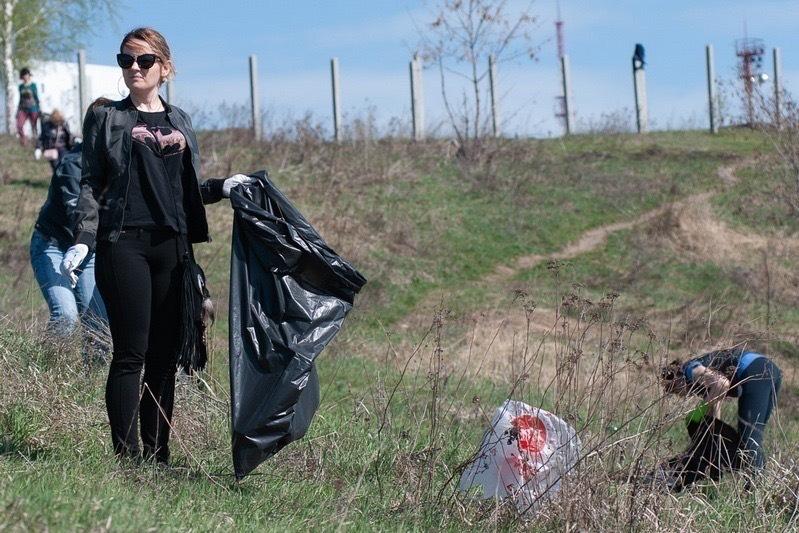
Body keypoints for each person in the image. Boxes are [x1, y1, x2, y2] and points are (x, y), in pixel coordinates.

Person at [60, 27, 253, 465]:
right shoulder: (107, 118)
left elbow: (184, 189)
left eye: (144, 60)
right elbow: (91, 183)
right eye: (126, 59)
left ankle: (157, 457)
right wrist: (83, 239)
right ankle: (128, 460)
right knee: (131, 353)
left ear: (164, 68)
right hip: (123, 244)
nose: (134, 67)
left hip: (174, 248)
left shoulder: (180, 120)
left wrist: (223, 187)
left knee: (165, 358)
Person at [659, 346, 781, 486]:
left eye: (671, 389)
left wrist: (698, 412)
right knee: (753, 439)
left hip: (756, 370)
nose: (676, 394)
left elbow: (721, 384)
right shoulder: (699, 384)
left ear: (676, 379)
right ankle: (759, 485)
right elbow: (716, 403)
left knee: (750, 440)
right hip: (770, 370)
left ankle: (756, 488)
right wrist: (712, 437)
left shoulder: (690, 369)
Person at [30, 136, 108, 342]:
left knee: (98, 322)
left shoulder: (119, 164)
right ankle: (49, 361)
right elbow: (79, 215)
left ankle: (94, 365)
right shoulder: (73, 164)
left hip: (89, 250)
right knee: (66, 317)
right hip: (53, 245)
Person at [17, 68, 40, 145]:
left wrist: (39, 109)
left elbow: (36, 97)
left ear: (29, 76)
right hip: (23, 109)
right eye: (24, 75)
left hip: (33, 109)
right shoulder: (20, 87)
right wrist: (18, 110)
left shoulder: (33, 85)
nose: (25, 76)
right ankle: (24, 140)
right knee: (19, 125)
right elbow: (20, 99)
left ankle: (36, 143)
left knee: (34, 127)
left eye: (26, 75)